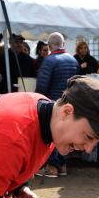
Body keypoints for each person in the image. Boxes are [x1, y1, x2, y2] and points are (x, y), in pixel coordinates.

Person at [34, 32, 80, 178]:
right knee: (65, 134)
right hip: (69, 103)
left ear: (49, 46)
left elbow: (42, 85)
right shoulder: (73, 60)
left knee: (52, 135)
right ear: (63, 44)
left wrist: (36, 99)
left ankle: (53, 167)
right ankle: (63, 166)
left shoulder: (49, 60)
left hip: (52, 103)